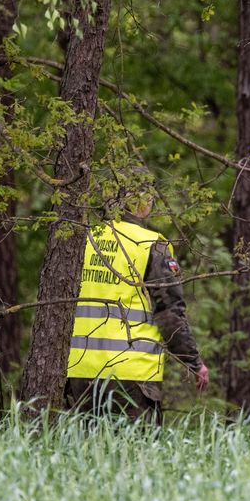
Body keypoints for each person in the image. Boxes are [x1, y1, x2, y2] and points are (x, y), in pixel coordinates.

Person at [65, 179, 208, 418]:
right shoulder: (150, 244)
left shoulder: (84, 238)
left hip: (80, 371)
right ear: (140, 203)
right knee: (135, 453)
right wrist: (193, 361)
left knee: (85, 452)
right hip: (132, 374)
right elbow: (169, 312)